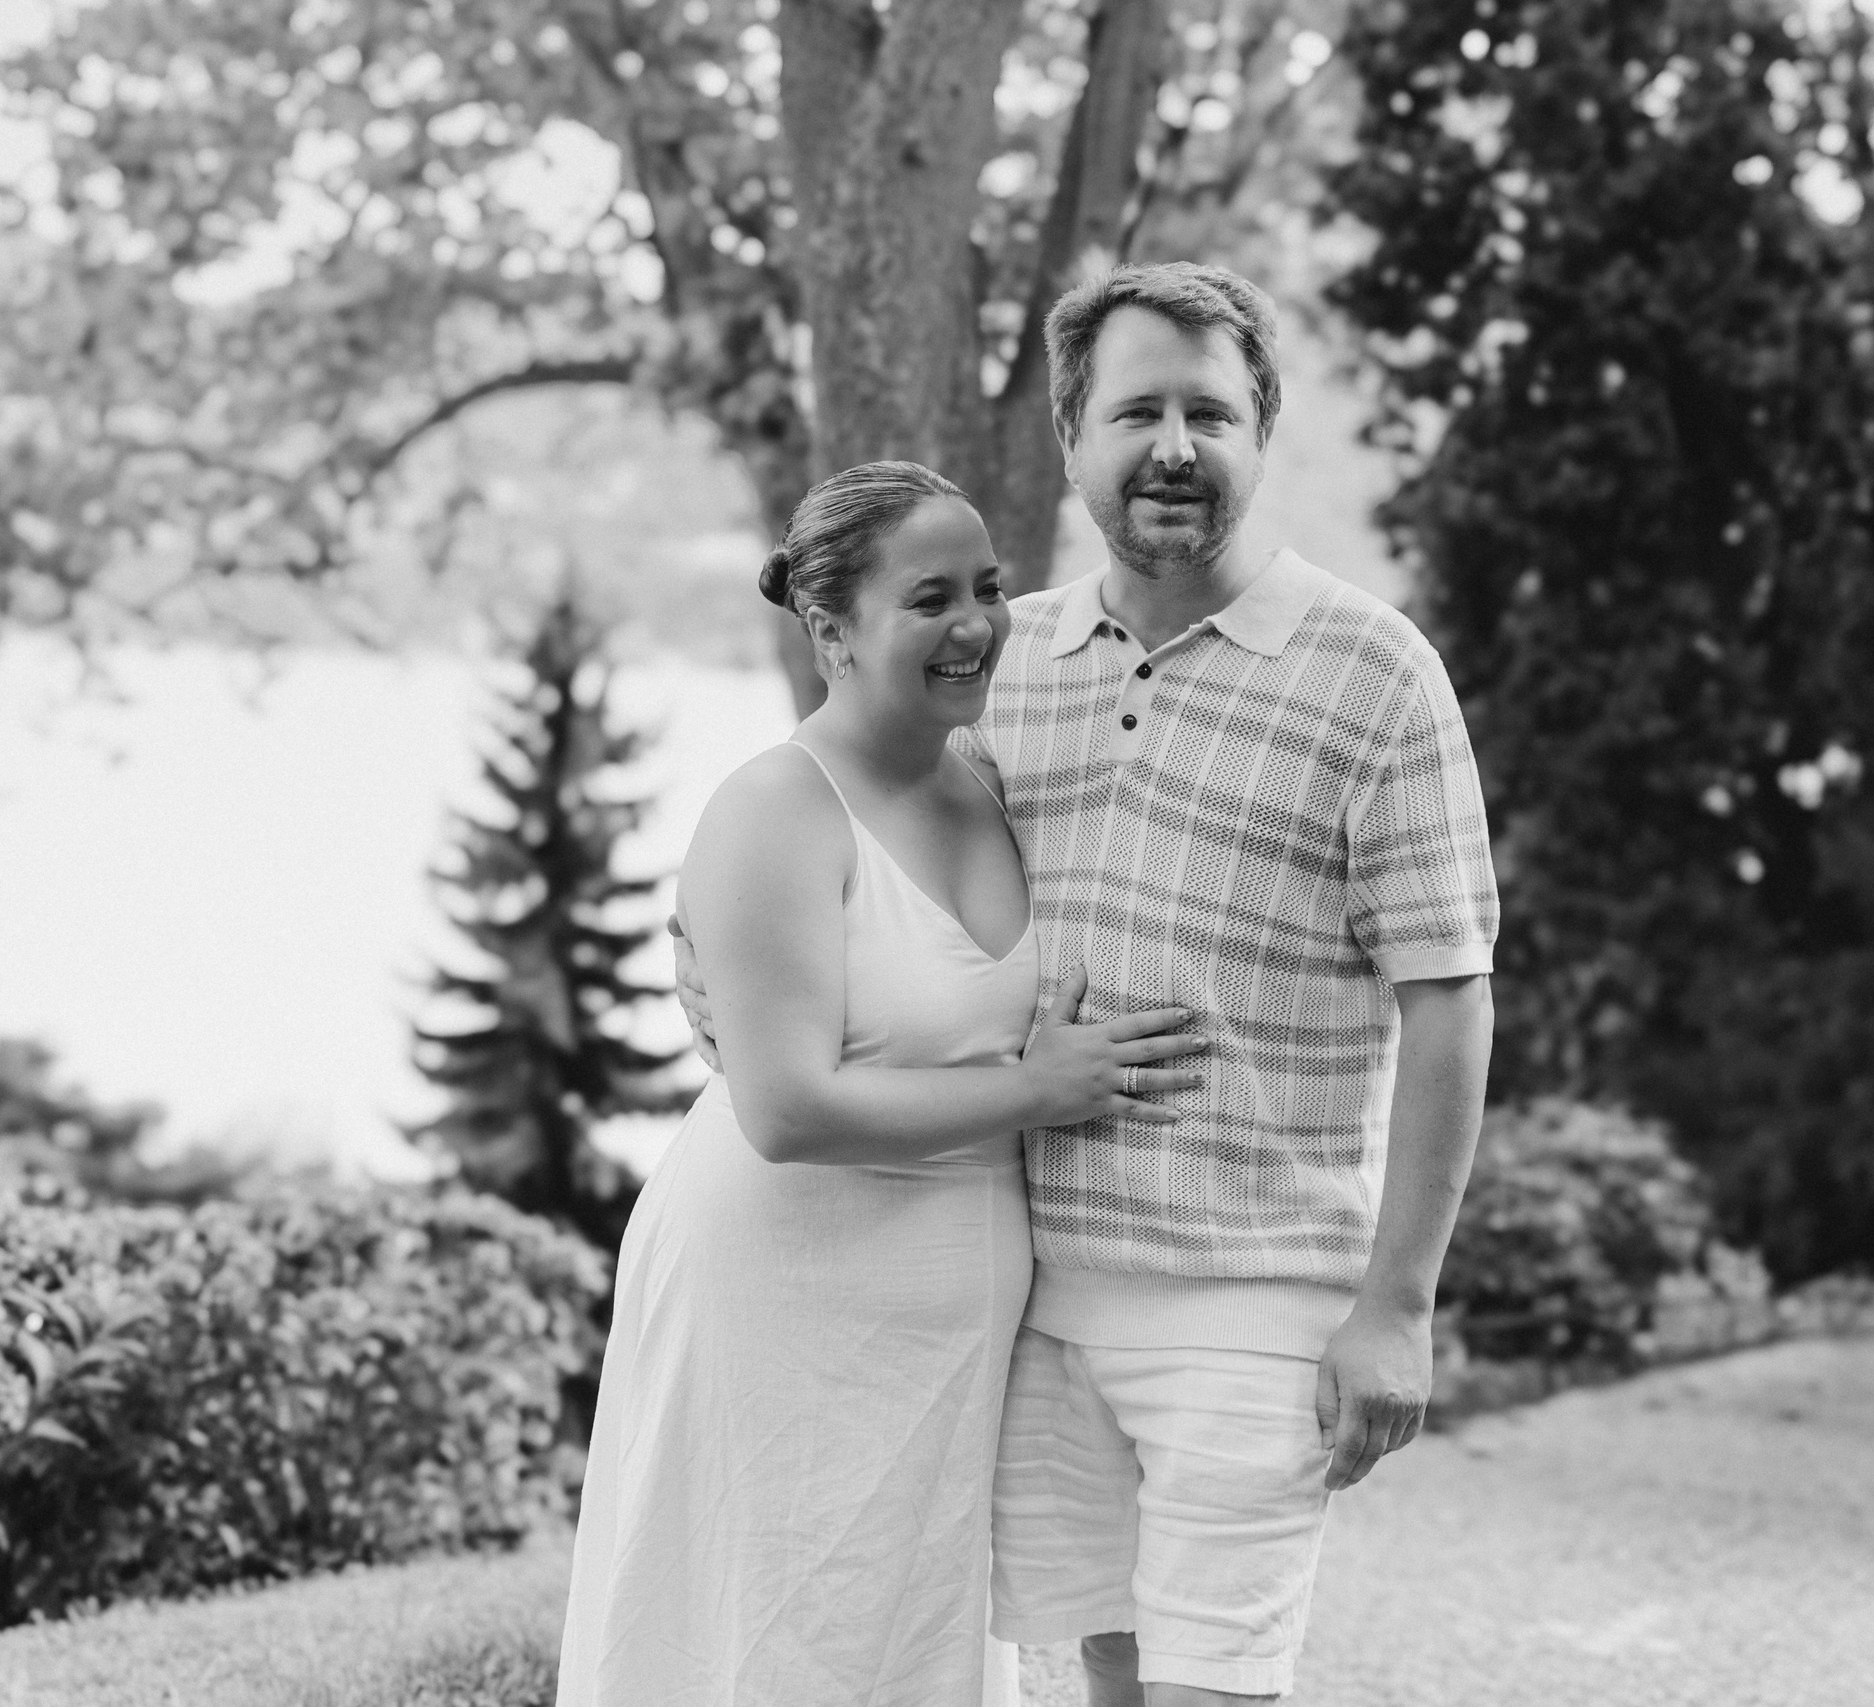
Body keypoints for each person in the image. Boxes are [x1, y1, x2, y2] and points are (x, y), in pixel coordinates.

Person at [680, 262, 1498, 1705]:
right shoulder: (1017, 659)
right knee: (1106, 1684)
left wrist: (1399, 1302)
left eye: (1209, 411)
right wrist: (711, 963)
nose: (1172, 445)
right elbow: (870, 860)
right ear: (1073, 435)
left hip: (1254, 1298)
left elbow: (1450, 992)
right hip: (1045, 1292)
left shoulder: (1374, 668)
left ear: (1262, 429)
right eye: (1136, 412)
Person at [555, 459, 1209, 1707]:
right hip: (785, 1291)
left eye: (988, 588)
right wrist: (1039, 1090)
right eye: (929, 599)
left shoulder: (996, 780)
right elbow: (787, 1107)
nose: (975, 625)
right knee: (766, 1631)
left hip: (951, 1323)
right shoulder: (773, 809)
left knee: (906, 1638)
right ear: (829, 629)